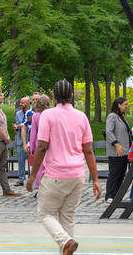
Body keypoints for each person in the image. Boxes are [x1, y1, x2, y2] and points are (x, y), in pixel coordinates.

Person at [27, 80, 101, 255]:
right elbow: (88, 150)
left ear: (53, 96)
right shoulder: (81, 116)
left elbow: (42, 146)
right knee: (67, 215)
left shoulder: (48, 115)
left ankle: (65, 241)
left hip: (55, 174)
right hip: (77, 174)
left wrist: (32, 176)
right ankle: (67, 249)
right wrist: (95, 179)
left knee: (45, 214)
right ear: (72, 96)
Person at [105, 96, 131, 203]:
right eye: (125, 104)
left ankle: (117, 195)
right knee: (114, 174)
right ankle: (109, 196)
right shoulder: (112, 117)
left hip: (124, 151)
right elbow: (109, 131)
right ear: (119, 105)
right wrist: (116, 144)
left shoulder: (121, 117)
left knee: (121, 174)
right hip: (116, 152)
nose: (126, 106)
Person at [28, 94, 51, 193]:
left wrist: (32, 146)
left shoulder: (35, 116)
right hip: (50, 142)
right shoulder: (51, 114)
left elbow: (33, 132)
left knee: (39, 166)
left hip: (39, 142)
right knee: (49, 165)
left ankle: (38, 185)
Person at [14, 96, 33, 186]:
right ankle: (21, 179)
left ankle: (34, 179)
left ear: (28, 103)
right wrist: (16, 128)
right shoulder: (18, 114)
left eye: (22, 103)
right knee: (21, 160)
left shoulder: (33, 112)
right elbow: (18, 127)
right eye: (20, 102)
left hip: (32, 139)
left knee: (34, 161)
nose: (20, 104)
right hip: (21, 140)